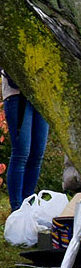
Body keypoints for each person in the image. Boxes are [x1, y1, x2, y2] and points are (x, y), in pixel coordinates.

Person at [2, 71, 50, 211]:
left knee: (37, 155)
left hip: (41, 94)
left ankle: (28, 205)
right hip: (17, 93)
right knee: (22, 153)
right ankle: (17, 208)